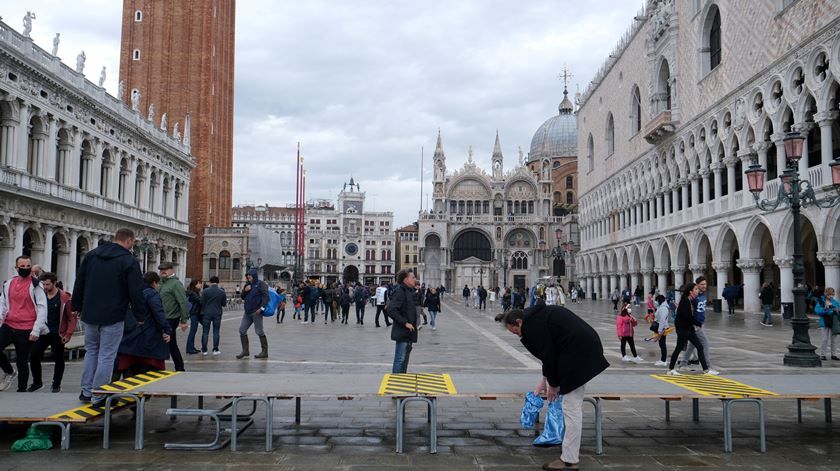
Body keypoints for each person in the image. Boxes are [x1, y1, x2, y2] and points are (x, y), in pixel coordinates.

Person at [494, 303, 609, 471]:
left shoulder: (533, 325)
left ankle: (569, 459)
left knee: (571, 407)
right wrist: (545, 382)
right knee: (570, 406)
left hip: (579, 356)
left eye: (516, 331)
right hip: (581, 351)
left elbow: (548, 356)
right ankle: (570, 457)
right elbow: (548, 354)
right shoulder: (536, 318)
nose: (518, 335)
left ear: (519, 321)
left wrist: (553, 385)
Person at [72, 228, 145, 405]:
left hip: (90, 313)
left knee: (91, 352)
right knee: (107, 354)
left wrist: (76, 305)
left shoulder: (91, 256)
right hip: (113, 314)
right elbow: (136, 291)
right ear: (129, 241)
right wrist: (140, 315)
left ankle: (86, 391)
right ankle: (100, 394)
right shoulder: (129, 261)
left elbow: (79, 280)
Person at [0, 255, 48, 392]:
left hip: (26, 328)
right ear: (16, 268)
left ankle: (21, 390)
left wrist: (36, 330)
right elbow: (3, 302)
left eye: (28, 266)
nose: (26, 269)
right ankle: (9, 371)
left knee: (22, 361)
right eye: (23, 267)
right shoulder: (9, 283)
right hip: (9, 324)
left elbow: (42, 308)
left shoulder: (36, 285)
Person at [116, 272, 172, 377]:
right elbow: (158, 312)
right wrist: (167, 329)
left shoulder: (132, 291)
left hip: (130, 332)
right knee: (149, 363)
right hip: (148, 332)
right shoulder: (151, 293)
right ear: (154, 283)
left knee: (130, 361)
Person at [28, 272, 76, 392]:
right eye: (43, 284)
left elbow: (71, 317)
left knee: (58, 359)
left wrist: (68, 334)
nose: (45, 287)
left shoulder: (64, 297)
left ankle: (56, 383)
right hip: (43, 331)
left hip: (58, 333)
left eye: (47, 284)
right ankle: (37, 382)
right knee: (33, 355)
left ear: (54, 283)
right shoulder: (40, 295)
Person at [667, 283, 718, 376]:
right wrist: (697, 323)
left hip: (689, 329)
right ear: (691, 292)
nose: (697, 291)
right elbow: (687, 317)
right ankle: (671, 369)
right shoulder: (685, 301)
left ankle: (706, 370)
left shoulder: (689, 301)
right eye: (696, 289)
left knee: (699, 347)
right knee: (678, 348)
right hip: (683, 329)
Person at [680, 276, 716, 372]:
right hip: (695, 325)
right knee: (705, 343)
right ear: (697, 285)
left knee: (692, 345)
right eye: (702, 284)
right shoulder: (693, 297)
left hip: (700, 323)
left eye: (705, 284)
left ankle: (683, 364)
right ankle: (708, 367)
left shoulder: (703, 295)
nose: (704, 286)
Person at [158, 262, 189, 371]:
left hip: (171, 318)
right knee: (167, 343)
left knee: (171, 343)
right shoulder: (161, 283)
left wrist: (184, 320)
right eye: (161, 269)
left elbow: (182, 302)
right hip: (161, 317)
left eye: (165, 269)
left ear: (172, 270)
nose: (163, 271)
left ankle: (180, 367)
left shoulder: (176, 284)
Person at [387, 269, 418, 373]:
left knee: (404, 361)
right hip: (402, 332)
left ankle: (402, 382)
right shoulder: (400, 291)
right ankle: (396, 383)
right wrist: (405, 323)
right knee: (400, 360)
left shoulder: (408, 291)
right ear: (406, 279)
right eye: (413, 277)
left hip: (408, 333)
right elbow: (391, 310)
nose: (415, 279)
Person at [237, 268, 270, 359]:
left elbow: (266, 297)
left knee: (259, 331)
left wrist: (261, 308)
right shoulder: (247, 285)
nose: (248, 277)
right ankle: (245, 351)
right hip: (247, 312)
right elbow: (243, 297)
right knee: (242, 330)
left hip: (256, 312)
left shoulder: (261, 284)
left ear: (254, 276)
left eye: (250, 275)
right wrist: (245, 290)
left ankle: (264, 352)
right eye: (247, 275)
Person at [200, 276, 226, 355]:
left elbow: (201, 302)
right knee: (216, 331)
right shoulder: (221, 291)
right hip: (217, 313)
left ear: (210, 281)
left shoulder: (205, 291)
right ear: (218, 282)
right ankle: (215, 349)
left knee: (205, 332)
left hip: (206, 312)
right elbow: (224, 304)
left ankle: (204, 350)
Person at [815, 287, 839, 361]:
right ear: (826, 294)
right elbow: (817, 311)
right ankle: (823, 355)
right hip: (824, 322)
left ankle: (834, 355)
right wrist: (825, 309)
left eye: (832, 294)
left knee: (834, 339)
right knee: (824, 339)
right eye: (829, 294)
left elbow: (838, 310)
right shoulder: (821, 301)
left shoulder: (835, 301)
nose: (831, 296)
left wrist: (836, 310)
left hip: (834, 322)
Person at [184, 279, 202, 354]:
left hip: (193, 312)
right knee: (192, 331)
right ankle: (189, 349)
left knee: (193, 331)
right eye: (199, 283)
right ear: (195, 284)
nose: (200, 285)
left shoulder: (192, 292)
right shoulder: (194, 293)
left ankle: (191, 347)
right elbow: (200, 301)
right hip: (194, 313)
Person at [652, 294, 670, 367]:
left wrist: (660, 331)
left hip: (662, 328)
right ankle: (663, 359)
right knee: (661, 344)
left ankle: (663, 360)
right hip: (661, 327)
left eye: (656, 300)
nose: (655, 302)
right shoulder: (661, 307)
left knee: (662, 344)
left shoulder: (663, 308)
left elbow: (662, 320)